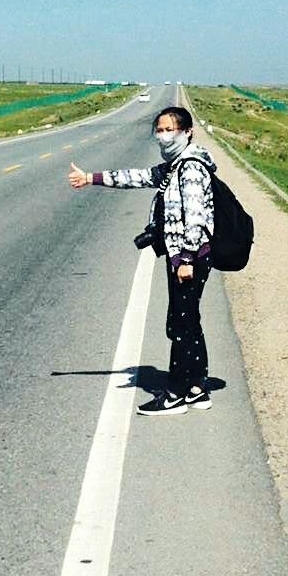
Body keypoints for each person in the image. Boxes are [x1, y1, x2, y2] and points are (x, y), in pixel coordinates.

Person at [68, 105, 215, 416]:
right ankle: (198, 387)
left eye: (169, 129)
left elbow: (197, 216)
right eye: (159, 130)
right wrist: (91, 178)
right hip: (183, 257)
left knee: (181, 324)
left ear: (187, 132)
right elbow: (135, 177)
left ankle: (175, 393)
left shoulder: (189, 167)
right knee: (188, 320)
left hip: (189, 258)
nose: (163, 135)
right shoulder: (173, 167)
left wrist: (186, 257)